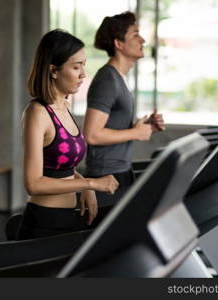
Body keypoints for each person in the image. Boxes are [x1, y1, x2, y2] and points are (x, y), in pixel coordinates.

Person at [17, 29, 119, 240]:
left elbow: (58, 168)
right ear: (54, 70)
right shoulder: (38, 113)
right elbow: (33, 183)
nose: (83, 74)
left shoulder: (63, 107)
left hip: (67, 219)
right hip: (43, 224)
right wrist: (90, 183)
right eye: (76, 66)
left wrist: (84, 186)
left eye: (84, 64)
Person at [83, 12, 165, 207]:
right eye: (135, 34)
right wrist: (135, 133)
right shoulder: (107, 80)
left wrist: (144, 126)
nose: (143, 40)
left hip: (121, 171)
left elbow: (112, 124)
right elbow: (92, 134)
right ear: (118, 44)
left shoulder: (118, 79)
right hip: (106, 175)